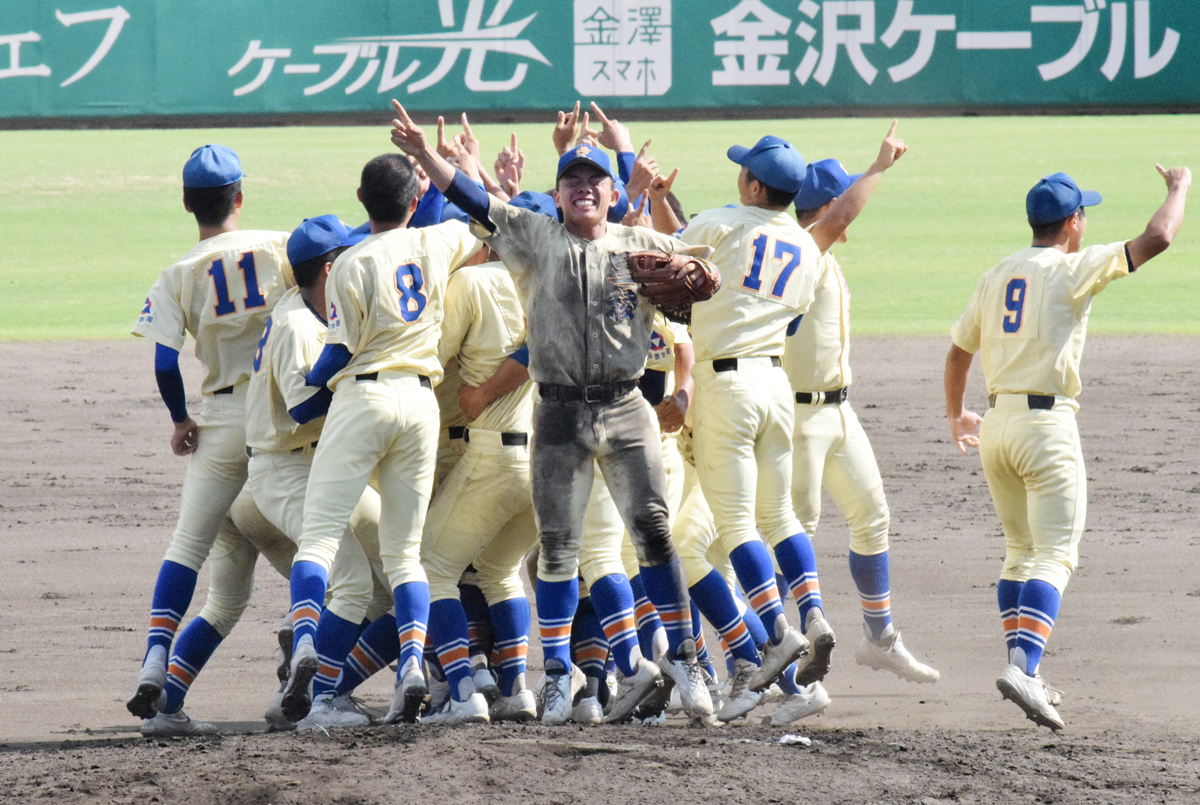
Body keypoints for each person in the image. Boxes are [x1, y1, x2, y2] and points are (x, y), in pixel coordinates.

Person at [389, 99, 717, 724]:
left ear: (613, 191)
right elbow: (474, 200)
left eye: (595, 180)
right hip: (559, 416)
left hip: (627, 410)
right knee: (560, 550)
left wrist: (699, 271)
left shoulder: (641, 243)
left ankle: (689, 661)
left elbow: (704, 270)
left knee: (652, 534)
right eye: (572, 180)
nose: (584, 188)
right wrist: (425, 156)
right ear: (559, 193)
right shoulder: (534, 237)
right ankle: (561, 676)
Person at [944, 164, 1191, 731]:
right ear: (1073, 223)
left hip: (997, 428)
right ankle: (1025, 668)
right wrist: (1179, 187)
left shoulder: (996, 273)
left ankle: (1020, 665)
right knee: (1055, 554)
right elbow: (1156, 239)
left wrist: (957, 414)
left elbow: (959, 353)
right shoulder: (1072, 268)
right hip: (1045, 431)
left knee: (1019, 551)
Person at [284, 154, 483, 725]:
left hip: (363, 400)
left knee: (319, 538)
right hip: (420, 404)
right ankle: (414, 666)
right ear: (414, 202)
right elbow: (480, 214)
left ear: (359, 198)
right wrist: (448, 167)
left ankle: (304, 644)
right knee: (406, 556)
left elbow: (340, 351)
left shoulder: (347, 263)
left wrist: (311, 379)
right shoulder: (436, 243)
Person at [127, 144, 294, 720]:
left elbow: (166, 363)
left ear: (185, 203)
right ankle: (308, 661)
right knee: (316, 550)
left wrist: (179, 421)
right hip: (278, 419)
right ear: (239, 197)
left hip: (218, 423)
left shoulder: (178, 272)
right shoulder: (279, 246)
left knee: (190, 550)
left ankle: (156, 664)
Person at [785, 128, 939, 689]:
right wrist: (878, 166)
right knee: (792, 531)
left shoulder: (818, 253)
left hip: (839, 415)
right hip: (797, 419)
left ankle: (880, 639)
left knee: (872, 517)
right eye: (843, 199)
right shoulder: (802, 249)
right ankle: (787, 659)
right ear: (828, 208)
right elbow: (842, 217)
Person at [676, 135, 822, 699]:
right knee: (780, 514)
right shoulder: (809, 249)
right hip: (776, 386)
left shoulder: (720, 223)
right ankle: (812, 614)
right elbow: (789, 327)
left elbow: (663, 266)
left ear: (755, 186)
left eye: (745, 172)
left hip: (727, 385)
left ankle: (777, 634)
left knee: (736, 526)